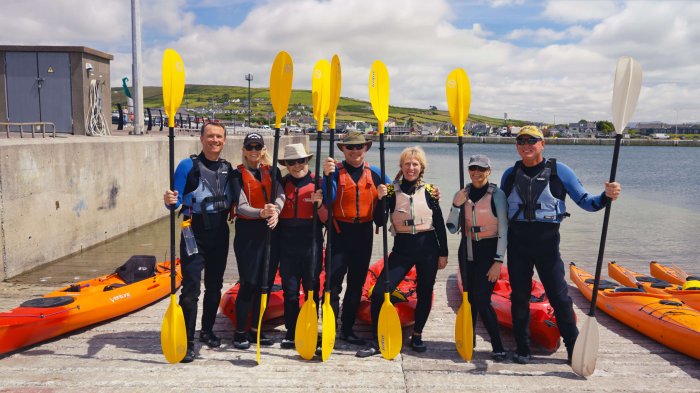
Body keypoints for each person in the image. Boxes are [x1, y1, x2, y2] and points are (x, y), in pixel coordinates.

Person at [501, 125, 621, 364]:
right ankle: (522, 348)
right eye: (521, 141)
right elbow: (498, 209)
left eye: (531, 141)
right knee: (519, 297)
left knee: (559, 297)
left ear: (542, 144)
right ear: (516, 146)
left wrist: (607, 196)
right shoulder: (510, 174)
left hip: (547, 244)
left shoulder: (560, 171)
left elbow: (587, 202)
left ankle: (573, 347)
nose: (526, 145)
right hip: (518, 244)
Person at [356, 146, 448, 357]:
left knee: (425, 292)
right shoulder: (389, 191)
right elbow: (379, 221)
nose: (411, 168)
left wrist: (443, 253)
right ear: (401, 166)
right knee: (379, 293)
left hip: (428, 248)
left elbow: (440, 224)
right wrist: (379, 200)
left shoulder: (431, 191)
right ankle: (377, 341)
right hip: (402, 249)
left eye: (415, 164)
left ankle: (417, 335)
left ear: (421, 167)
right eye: (407, 164)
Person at [163, 122, 234, 363]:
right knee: (191, 288)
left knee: (214, 287)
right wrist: (169, 199)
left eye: (219, 137)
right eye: (211, 136)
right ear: (202, 138)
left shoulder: (228, 168)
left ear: (224, 141)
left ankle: (207, 331)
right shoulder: (187, 166)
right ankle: (188, 339)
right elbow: (174, 202)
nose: (215, 140)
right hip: (193, 232)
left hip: (220, 233)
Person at [321, 131, 391, 345]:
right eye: (350, 147)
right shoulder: (333, 171)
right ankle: (329, 329)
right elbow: (328, 198)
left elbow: (397, 194)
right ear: (343, 149)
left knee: (356, 284)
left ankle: (347, 328)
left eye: (359, 147)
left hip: (363, 234)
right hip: (339, 232)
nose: (354, 151)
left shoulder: (377, 173)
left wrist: (385, 196)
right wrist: (326, 176)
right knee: (332, 285)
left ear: (366, 148)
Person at [446, 154, 508, 361]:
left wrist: (498, 261)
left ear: (489, 171)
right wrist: (456, 205)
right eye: (473, 168)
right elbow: (452, 227)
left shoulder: (497, 195)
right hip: (467, 248)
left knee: (481, 299)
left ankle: (498, 345)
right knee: (469, 298)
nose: (477, 173)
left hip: (489, 250)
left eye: (481, 169)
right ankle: (469, 341)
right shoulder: (462, 194)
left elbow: (504, 230)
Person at [229, 132, 284, 349]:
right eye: (250, 147)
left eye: (257, 147)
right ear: (244, 150)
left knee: (266, 284)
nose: (254, 151)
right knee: (249, 283)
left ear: (263, 150)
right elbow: (241, 205)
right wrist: (262, 212)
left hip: (271, 232)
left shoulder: (273, 171)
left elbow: (280, 194)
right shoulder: (236, 175)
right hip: (248, 235)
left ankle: (256, 330)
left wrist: (276, 210)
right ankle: (240, 332)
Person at [276, 143, 327, 349]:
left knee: (312, 290)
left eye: (301, 161)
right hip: (287, 245)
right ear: (286, 165)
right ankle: (291, 330)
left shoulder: (319, 184)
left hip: (311, 243)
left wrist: (320, 204)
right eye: (292, 162)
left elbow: (327, 220)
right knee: (290, 291)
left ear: (308, 161)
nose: (297, 165)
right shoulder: (281, 183)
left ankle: (311, 327)